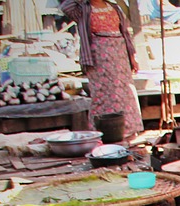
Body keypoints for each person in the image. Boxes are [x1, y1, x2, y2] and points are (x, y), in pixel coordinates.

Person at [60, 0, 144, 138]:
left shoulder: (114, 7)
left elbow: (125, 34)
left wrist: (132, 57)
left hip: (120, 55)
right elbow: (65, 6)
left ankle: (127, 129)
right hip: (98, 56)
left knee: (125, 92)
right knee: (103, 93)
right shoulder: (83, 10)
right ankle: (101, 131)